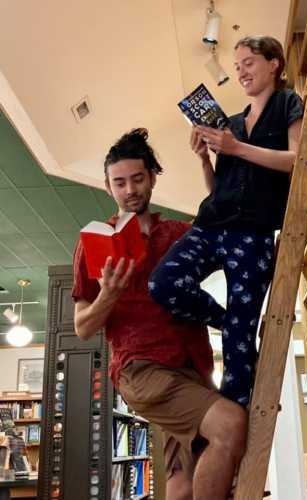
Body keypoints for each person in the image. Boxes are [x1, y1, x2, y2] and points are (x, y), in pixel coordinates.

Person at [72, 128, 247, 500]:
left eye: (137, 179)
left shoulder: (177, 234)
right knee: (230, 424)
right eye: (119, 183)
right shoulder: (95, 244)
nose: (130, 190)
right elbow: (83, 327)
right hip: (142, 369)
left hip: (193, 366)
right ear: (108, 187)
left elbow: (223, 223)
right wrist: (108, 295)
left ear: (152, 177)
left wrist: (205, 162)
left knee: (183, 481)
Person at [148, 36, 304, 407]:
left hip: (253, 232)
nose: (241, 72)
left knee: (236, 359)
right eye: (237, 67)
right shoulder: (230, 123)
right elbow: (219, 186)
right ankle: (233, 324)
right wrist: (205, 158)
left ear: (274, 64)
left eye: (248, 62)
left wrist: (236, 147)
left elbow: (298, 160)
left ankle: (237, 427)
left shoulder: (288, 103)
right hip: (212, 223)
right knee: (163, 282)